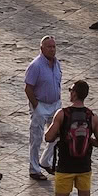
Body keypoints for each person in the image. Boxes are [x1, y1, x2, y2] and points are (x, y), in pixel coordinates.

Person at [23, 36, 62, 181]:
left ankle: (45, 160)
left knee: (58, 134)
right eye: (49, 47)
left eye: (54, 46)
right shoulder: (36, 66)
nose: (52, 49)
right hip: (40, 105)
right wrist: (36, 106)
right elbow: (28, 88)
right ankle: (34, 169)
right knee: (36, 137)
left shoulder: (57, 64)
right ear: (42, 49)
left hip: (55, 104)